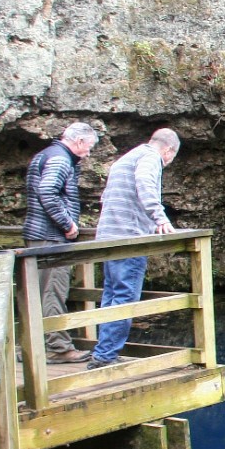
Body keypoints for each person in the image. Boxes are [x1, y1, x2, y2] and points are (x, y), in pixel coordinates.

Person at [87, 127, 180, 370]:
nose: (168, 162)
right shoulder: (150, 158)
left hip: (109, 238)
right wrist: (160, 218)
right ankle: (106, 355)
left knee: (111, 295)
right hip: (129, 238)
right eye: (171, 157)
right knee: (125, 296)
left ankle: (102, 351)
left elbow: (106, 197)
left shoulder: (126, 158)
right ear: (169, 150)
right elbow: (145, 185)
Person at [23, 122, 99, 364]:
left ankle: (31, 346)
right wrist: (67, 224)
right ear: (78, 142)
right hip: (50, 237)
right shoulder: (60, 159)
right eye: (89, 147)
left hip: (38, 235)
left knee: (35, 293)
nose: (88, 153)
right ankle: (59, 348)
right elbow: (47, 191)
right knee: (53, 291)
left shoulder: (44, 155)